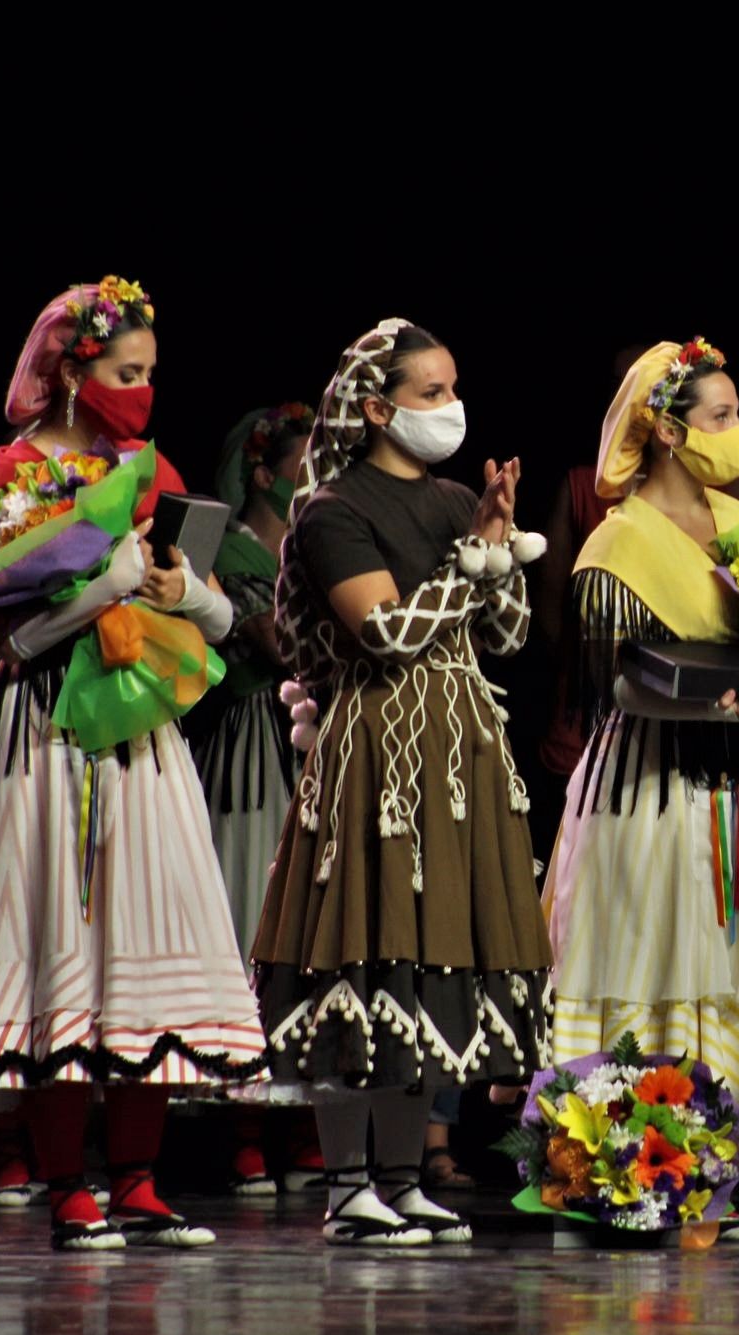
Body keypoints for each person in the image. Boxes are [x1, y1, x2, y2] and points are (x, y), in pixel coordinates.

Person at [0, 278, 266, 1251]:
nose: (141, 391)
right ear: (74, 371)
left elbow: (217, 611)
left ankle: (135, 1177)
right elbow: (14, 635)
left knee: (139, 944)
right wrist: (109, 581)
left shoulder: (149, 468)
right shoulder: (10, 478)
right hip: (42, 734)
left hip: (137, 739)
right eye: (127, 373)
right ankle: (64, 1185)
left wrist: (184, 592)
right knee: (57, 944)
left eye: (150, 375)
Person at [251, 319, 552, 1246]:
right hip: (379, 745)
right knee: (370, 948)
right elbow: (385, 634)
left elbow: (503, 640)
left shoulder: (458, 496)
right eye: (430, 394)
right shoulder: (336, 509)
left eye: (453, 389)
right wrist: (475, 562)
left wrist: (496, 545)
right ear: (378, 408)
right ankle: (348, 1189)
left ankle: (402, 1175)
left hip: (462, 744)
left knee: (436, 956)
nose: (450, 408)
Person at [545, 338, 739, 1216]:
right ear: (671, 432)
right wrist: (716, 707)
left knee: (728, 963)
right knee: (653, 956)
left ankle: (714, 1179)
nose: (737, 431)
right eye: (721, 417)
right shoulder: (620, 543)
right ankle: (635, 1176)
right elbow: (613, 687)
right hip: (656, 790)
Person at [194, 403, 322, 1197]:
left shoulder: (324, 538)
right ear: (266, 472)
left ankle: (307, 1117)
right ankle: (245, 1123)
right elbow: (276, 641)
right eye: (306, 462)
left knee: (313, 928)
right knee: (250, 912)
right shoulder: (230, 544)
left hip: (317, 743)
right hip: (252, 744)